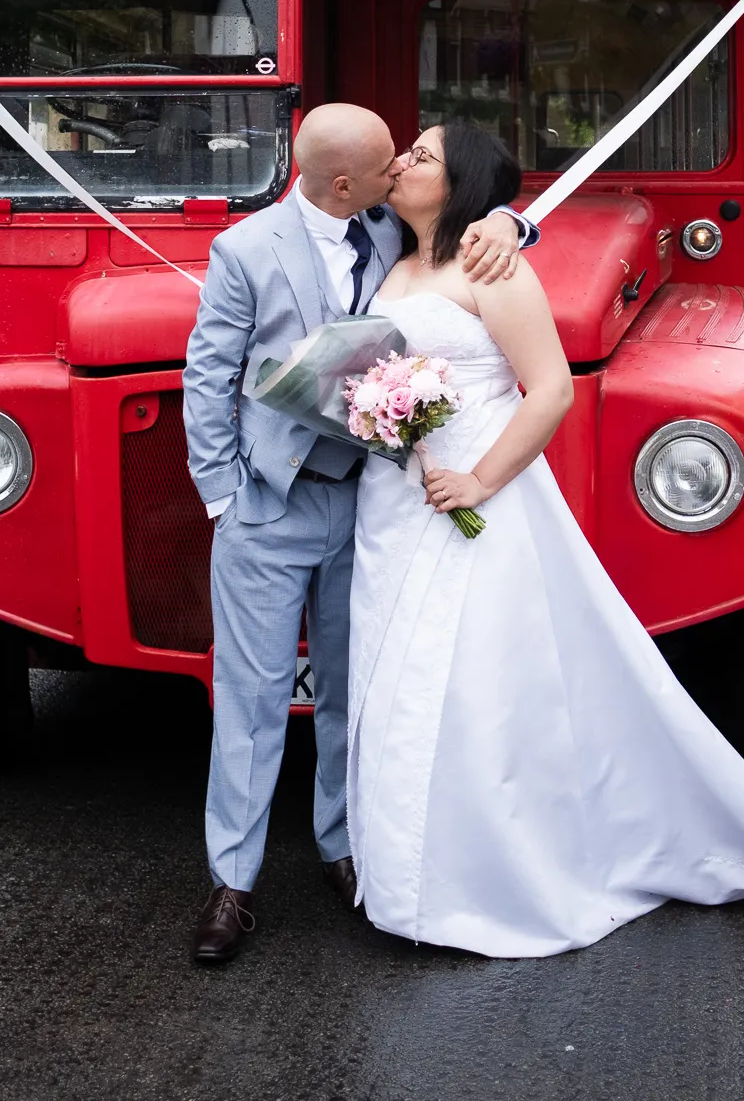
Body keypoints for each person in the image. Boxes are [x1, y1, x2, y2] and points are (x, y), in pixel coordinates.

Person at [347, 119, 744, 958]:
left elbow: (546, 391)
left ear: (461, 181)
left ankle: (489, 870)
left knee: (483, 683)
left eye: (422, 156)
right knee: (398, 676)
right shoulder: (386, 256)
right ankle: (408, 867)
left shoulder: (493, 265)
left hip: (477, 491)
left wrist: (478, 481)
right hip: (396, 502)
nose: (401, 162)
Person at [181, 103, 536, 963]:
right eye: (387, 165)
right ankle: (233, 883)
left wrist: (507, 217)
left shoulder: (387, 231)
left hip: (369, 508)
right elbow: (209, 372)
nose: (397, 173)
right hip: (267, 508)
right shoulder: (245, 249)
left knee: (352, 690)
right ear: (344, 182)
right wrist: (224, 498)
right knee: (254, 700)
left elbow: (477, 236)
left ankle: (343, 851)